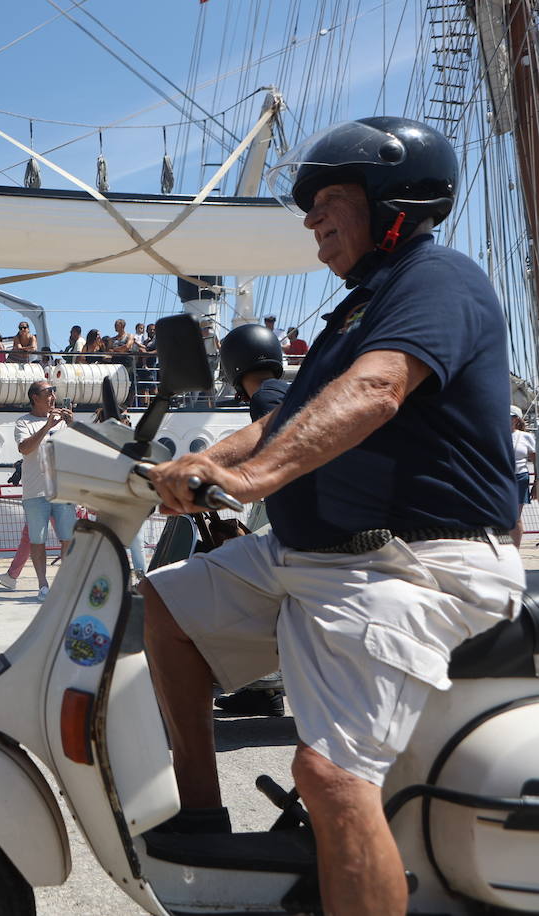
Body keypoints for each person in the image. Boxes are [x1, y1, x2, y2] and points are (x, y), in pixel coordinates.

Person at [138, 117, 522, 916]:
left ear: (394, 202)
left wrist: (254, 480)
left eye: (330, 199)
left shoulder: (437, 279)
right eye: (309, 207)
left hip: (415, 563)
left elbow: (377, 390)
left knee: (331, 777)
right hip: (317, 557)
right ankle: (203, 815)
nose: (312, 218)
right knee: (166, 605)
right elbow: (281, 421)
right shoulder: (356, 312)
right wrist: (200, 464)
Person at [209, 323, 291, 717]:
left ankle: (262, 680)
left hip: (301, 535)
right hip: (296, 521)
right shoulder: (287, 390)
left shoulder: (268, 397)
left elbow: (269, 438)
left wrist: (207, 470)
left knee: (223, 579)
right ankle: (263, 691)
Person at [13, 380, 76, 599]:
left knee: (68, 538)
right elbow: (25, 448)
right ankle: (43, 586)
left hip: (62, 490)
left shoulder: (63, 422)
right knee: (37, 541)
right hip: (35, 493)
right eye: (48, 392)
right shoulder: (23, 422)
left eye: (53, 392)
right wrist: (47, 426)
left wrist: (73, 425)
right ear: (35, 398)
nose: (53, 396)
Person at [510, 404, 535, 547]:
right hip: (501, 478)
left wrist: (537, 481)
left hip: (520, 477)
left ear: (516, 419)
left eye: (510, 417)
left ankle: (515, 550)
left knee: (515, 517)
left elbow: (535, 459)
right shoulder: (496, 434)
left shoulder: (526, 437)